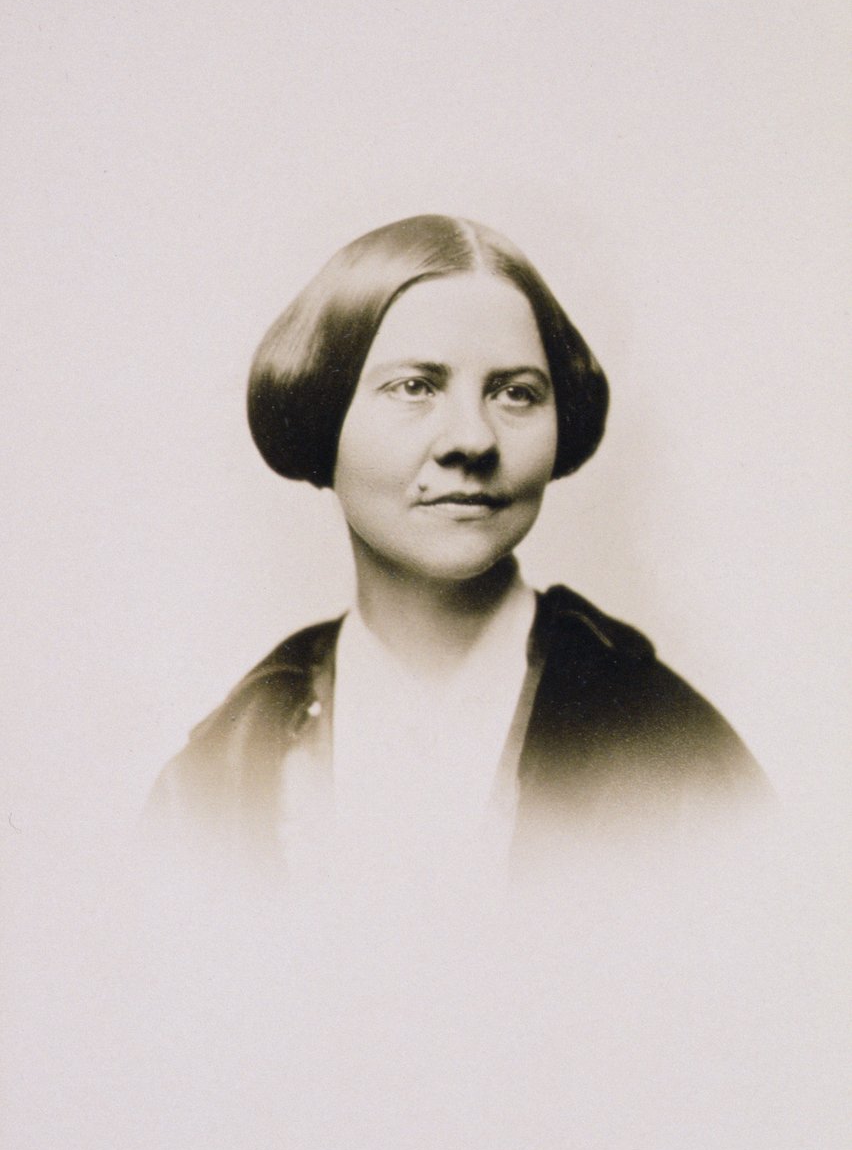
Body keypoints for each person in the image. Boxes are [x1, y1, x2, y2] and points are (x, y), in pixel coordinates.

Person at [146, 215, 766, 887]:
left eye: (516, 394)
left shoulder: (670, 751)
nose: (472, 439)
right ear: (323, 414)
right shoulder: (226, 766)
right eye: (415, 387)